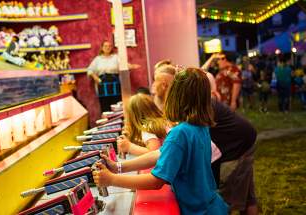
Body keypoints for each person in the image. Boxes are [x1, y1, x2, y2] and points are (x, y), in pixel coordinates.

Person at [93, 68, 229, 215]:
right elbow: (160, 153)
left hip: (199, 211)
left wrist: (112, 179)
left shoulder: (180, 133)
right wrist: (118, 167)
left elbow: (156, 181)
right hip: (213, 205)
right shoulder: (199, 126)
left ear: (175, 96)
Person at [152, 63, 258, 215]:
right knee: (244, 193)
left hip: (239, 143)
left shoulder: (188, 126)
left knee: (233, 194)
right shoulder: (198, 118)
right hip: (238, 141)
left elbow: (157, 179)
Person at [87, 40, 140, 112]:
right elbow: (90, 70)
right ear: (102, 48)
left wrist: (132, 66)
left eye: (109, 46)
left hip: (115, 84)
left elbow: (125, 65)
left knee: (117, 106)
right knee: (105, 107)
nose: (108, 47)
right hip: (103, 85)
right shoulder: (97, 59)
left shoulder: (116, 57)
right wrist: (95, 77)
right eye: (105, 46)